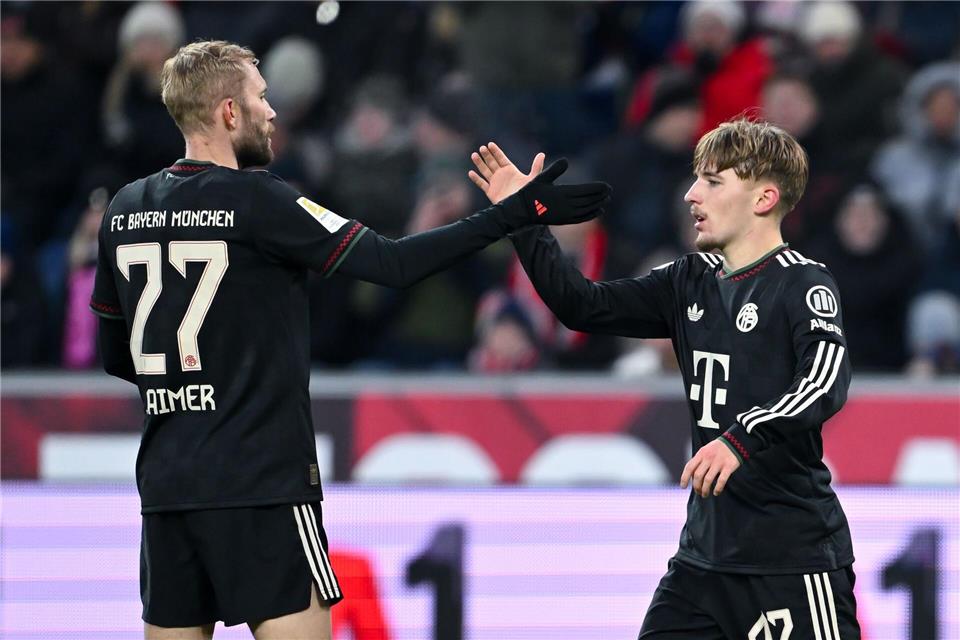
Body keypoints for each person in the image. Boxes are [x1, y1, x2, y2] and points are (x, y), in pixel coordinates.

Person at [89, 40, 609, 639]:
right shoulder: (261, 200)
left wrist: (195, 381)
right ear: (229, 112)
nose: (272, 112)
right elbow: (391, 263)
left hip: (168, 487)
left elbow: (114, 354)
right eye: (261, 98)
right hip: (263, 483)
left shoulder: (125, 210)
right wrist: (512, 215)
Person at [468, 121, 859, 639]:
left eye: (714, 182)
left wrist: (741, 439)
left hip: (790, 560)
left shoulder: (803, 282)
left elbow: (824, 379)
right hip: (702, 561)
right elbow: (580, 306)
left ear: (765, 198)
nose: (692, 194)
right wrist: (522, 218)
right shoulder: (687, 280)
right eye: (696, 178)